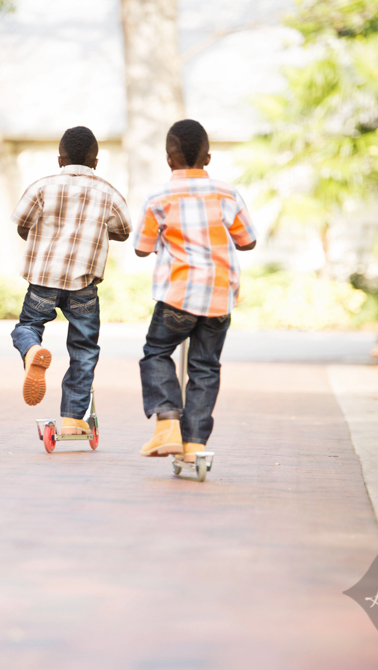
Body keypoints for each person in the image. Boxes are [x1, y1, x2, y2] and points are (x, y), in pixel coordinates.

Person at [134, 119, 257, 460]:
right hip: (218, 295)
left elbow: (141, 248)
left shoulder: (159, 198)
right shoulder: (227, 193)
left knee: (157, 353)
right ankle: (195, 444)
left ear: (169, 159)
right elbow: (248, 241)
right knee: (205, 367)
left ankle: (168, 421)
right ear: (208, 158)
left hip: (177, 294)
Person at [10, 126, 131, 435]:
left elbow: (22, 223)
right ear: (96, 161)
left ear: (60, 159)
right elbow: (123, 230)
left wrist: (37, 235)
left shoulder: (42, 187)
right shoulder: (109, 192)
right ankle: (72, 420)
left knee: (27, 326)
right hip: (83, 287)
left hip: (43, 280)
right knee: (84, 349)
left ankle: (31, 350)